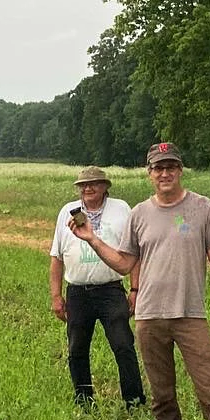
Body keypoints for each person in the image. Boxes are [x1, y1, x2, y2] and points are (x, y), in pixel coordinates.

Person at [68, 142, 210, 420]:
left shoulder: (203, 207)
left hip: (190, 315)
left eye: (171, 166)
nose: (165, 173)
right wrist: (92, 239)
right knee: (162, 395)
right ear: (149, 173)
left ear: (180, 170)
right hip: (149, 316)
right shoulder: (139, 214)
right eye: (158, 167)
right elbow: (126, 263)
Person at [49, 165, 146, 407]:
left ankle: (133, 401)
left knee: (123, 345)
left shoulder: (121, 209)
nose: (87, 188)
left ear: (105, 187)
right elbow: (56, 257)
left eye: (93, 184)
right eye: (82, 185)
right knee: (77, 349)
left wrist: (135, 290)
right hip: (78, 292)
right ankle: (84, 402)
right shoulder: (66, 213)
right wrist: (56, 296)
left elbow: (134, 253)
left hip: (111, 290)